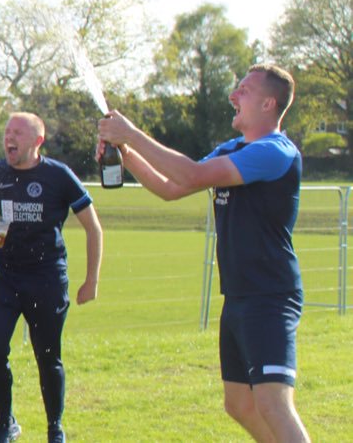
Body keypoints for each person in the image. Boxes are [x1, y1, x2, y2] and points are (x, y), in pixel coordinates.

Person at [97, 64, 310, 443]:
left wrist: (132, 134)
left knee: (272, 404)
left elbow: (193, 175)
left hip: (270, 295)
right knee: (239, 404)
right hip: (240, 295)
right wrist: (126, 153)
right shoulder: (232, 149)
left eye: (244, 90)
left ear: (268, 104)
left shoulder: (275, 151)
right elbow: (171, 187)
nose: (233, 95)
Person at [0, 113, 103, 443]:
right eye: (7, 131)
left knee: (47, 356)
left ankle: (54, 428)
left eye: (18, 133)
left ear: (37, 141)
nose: (9, 137)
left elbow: (93, 228)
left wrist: (91, 280)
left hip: (46, 277)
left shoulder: (58, 176)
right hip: (5, 275)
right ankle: (5, 421)